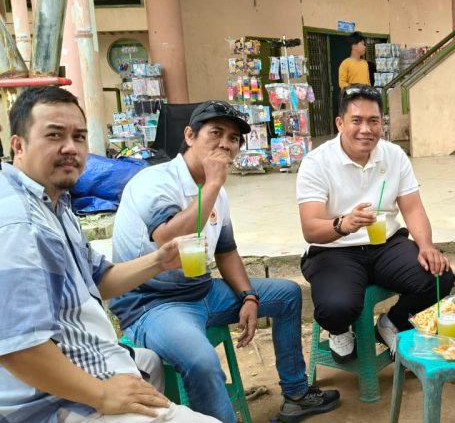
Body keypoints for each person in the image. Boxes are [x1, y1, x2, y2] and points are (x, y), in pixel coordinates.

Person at [109, 101, 339, 423]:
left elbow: (226, 252)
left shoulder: (218, 194)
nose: (225, 144)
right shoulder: (154, 181)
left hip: (202, 291)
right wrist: (213, 184)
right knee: (202, 361)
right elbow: (168, 239)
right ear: (190, 136)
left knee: (286, 294)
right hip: (153, 303)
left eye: (233, 139)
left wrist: (248, 296)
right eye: (215, 133)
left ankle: (297, 395)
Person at [0, 86, 219, 423]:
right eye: (54, 135)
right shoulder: (18, 222)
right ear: (18, 145)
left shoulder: (54, 204)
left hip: (92, 357)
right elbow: (19, 347)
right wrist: (101, 395)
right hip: (59, 402)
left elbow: (99, 279)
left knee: (147, 363)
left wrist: (159, 260)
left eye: (79, 136)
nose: (70, 147)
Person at [296, 84, 455, 363]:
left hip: (385, 244)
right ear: (340, 123)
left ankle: (391, 322)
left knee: (439, 277)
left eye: (373, 121)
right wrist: (343, 224)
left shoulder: (394, 155)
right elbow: (310, 228)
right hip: (334, 249)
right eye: (356, 121)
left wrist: (426, 245)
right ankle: (339, 329)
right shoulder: (316, 163)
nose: (366, 130)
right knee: (336, 307)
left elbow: (413, 209)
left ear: (382, 123)